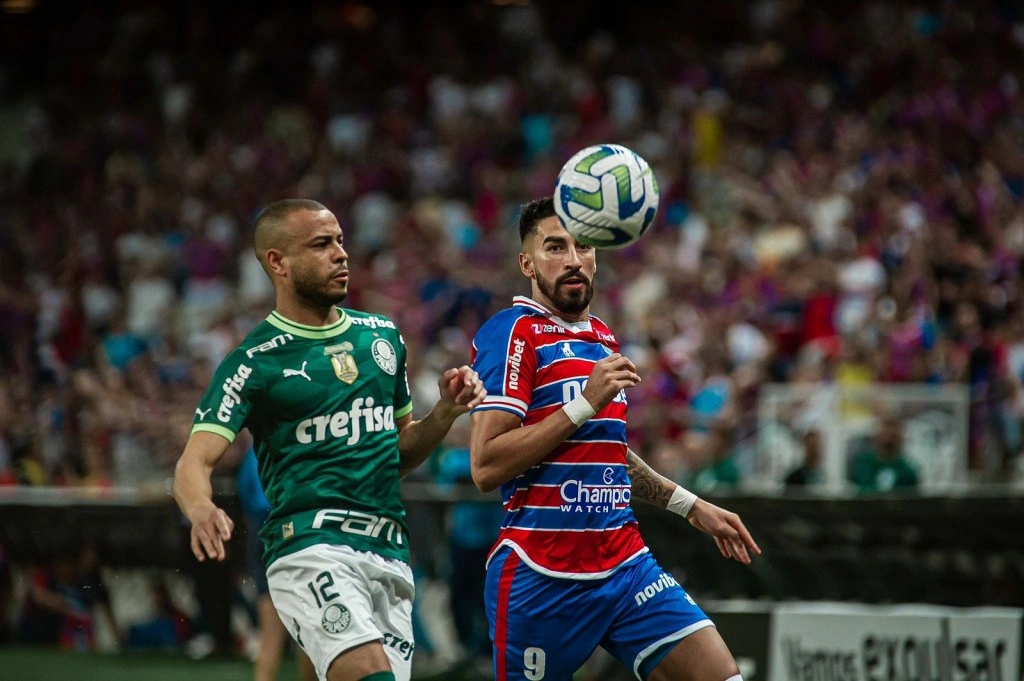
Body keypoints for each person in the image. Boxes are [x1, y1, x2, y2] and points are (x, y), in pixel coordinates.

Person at [172, 199, 485, 681]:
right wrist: (200, 508)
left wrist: (443, 413)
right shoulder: (254, 360)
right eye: (322, 244)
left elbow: (396, 453)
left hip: (388, 553)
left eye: (340, 241)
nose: (341, 254)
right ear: (278, 262)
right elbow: (194, 462)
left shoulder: (381, 337)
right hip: (309, 547)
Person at [469, 197, 761, 681]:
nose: (572, 259)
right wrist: (583, 402)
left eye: (582, 246)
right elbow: (486, 465)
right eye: (554, 247)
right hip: (542, 576)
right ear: (527, 263)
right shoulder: (512, 333)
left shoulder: (602, 337)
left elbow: (606, 451)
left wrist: (692, 507)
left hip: (625, 564)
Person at [236, 447, 317, 681]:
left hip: (263, 532)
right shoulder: (297, 443)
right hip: (296, 527)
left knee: (270, 632)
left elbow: (246, 495)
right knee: (309, 624)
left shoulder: (253, 453)